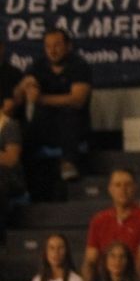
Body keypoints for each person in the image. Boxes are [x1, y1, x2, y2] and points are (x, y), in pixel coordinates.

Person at [19, 28, 91, 187]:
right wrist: (27, 87)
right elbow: (26, 84)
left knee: (69, 113)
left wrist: (41, 99)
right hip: (45, 126)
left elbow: (77, 99)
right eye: (48, 46)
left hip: (73, 127)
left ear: (68, 46)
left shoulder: (79, 66)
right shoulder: (38, 66)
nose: (52, 50)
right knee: (23, 130)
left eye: (57, 45)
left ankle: (69, 163)